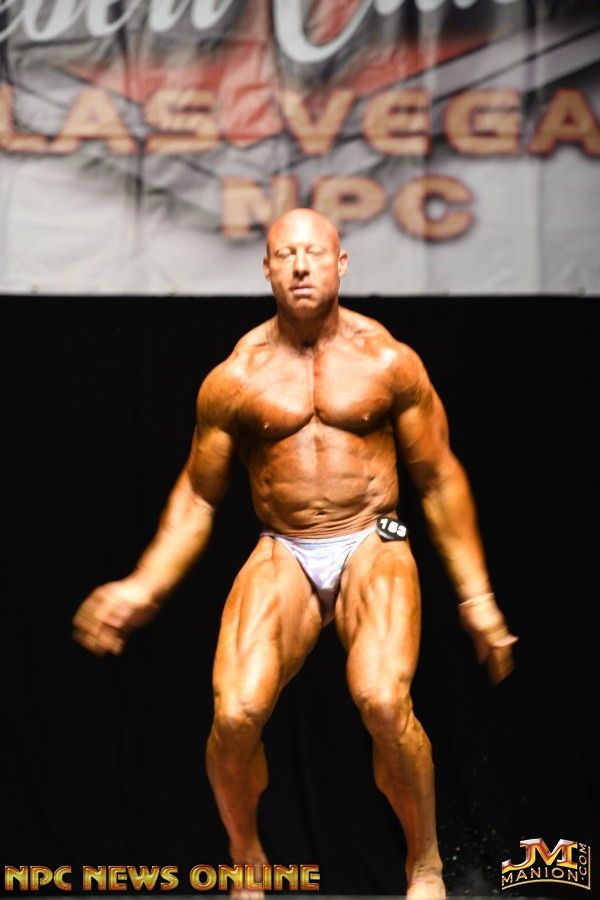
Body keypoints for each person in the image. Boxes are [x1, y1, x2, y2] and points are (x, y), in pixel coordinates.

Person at [73, 208, 517, 900]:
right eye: (286, 255)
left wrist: (478, 598)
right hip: (285, 545)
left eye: (314, 253)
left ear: (341, 264)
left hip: (374, 535)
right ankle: (246, 854)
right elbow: (198, 496)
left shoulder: (387, 360)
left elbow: (437, 478)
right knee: (235, 715)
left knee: (381, 698)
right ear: (267, 269)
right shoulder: (237, 377)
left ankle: (426, 861)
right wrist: (144, 585)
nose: (302, 265)